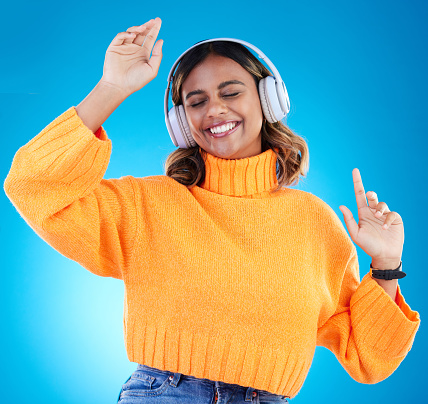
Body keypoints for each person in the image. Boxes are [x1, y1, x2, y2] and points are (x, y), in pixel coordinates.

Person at [3, 17, 421, 404]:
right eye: (196, 101)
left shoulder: (314, 223)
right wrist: (111, 87)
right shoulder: (149, 205)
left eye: (231, 91)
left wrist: (385, 263)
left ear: (269, 99)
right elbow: (33, 185)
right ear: (182, 121)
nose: (214, 110)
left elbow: (368, 359)